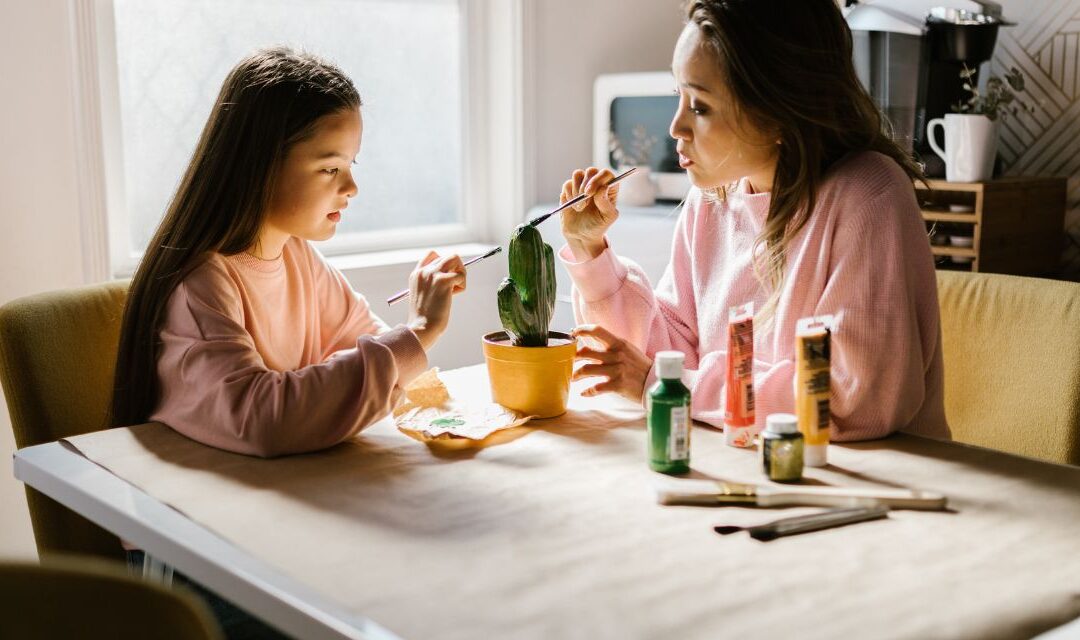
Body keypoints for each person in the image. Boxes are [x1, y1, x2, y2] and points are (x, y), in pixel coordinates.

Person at [558, 0, 949, 442]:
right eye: (678, 97)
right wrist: (592, 256)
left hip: (879, 490)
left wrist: (670, 387)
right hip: (747, 471)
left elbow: (852, 399)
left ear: (777, 109)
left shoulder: (868, 196)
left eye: (700, 106)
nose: (675, 128)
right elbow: (669, 355)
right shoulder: (712, 198)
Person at [112, 46, 466, 456]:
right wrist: (420, 329)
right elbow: (262, 419)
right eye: (330, 168)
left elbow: (368, 352)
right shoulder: (202, 285)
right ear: (260, 166)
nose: (352, 188)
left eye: (352, 165)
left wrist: (410, 343)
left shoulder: (297, 256)